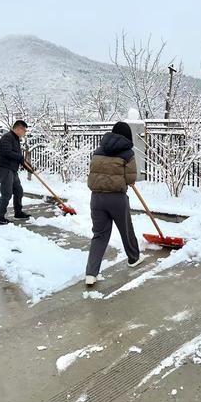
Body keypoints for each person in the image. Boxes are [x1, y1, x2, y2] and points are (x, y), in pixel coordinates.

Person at [85, 121, 143, 286]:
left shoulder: (98, 151)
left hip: (96, 198)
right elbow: (131, 178)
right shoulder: (127, 153)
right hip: (116, 198)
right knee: (126, 229)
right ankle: (133, 258)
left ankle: (91, 273)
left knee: (99, 235)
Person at [0, 120, 33, 225]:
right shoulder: (7, 137)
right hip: (5, 169)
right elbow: (7, 152)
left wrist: (28, 167)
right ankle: (0, 218)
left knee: (18, 191)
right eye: (24, 130)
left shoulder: (15, 139)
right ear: (19, 129)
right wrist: (20, 158)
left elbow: (18, 158)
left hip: (12, 170)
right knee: (6, 193)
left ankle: (18, 213)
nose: (24, 133)